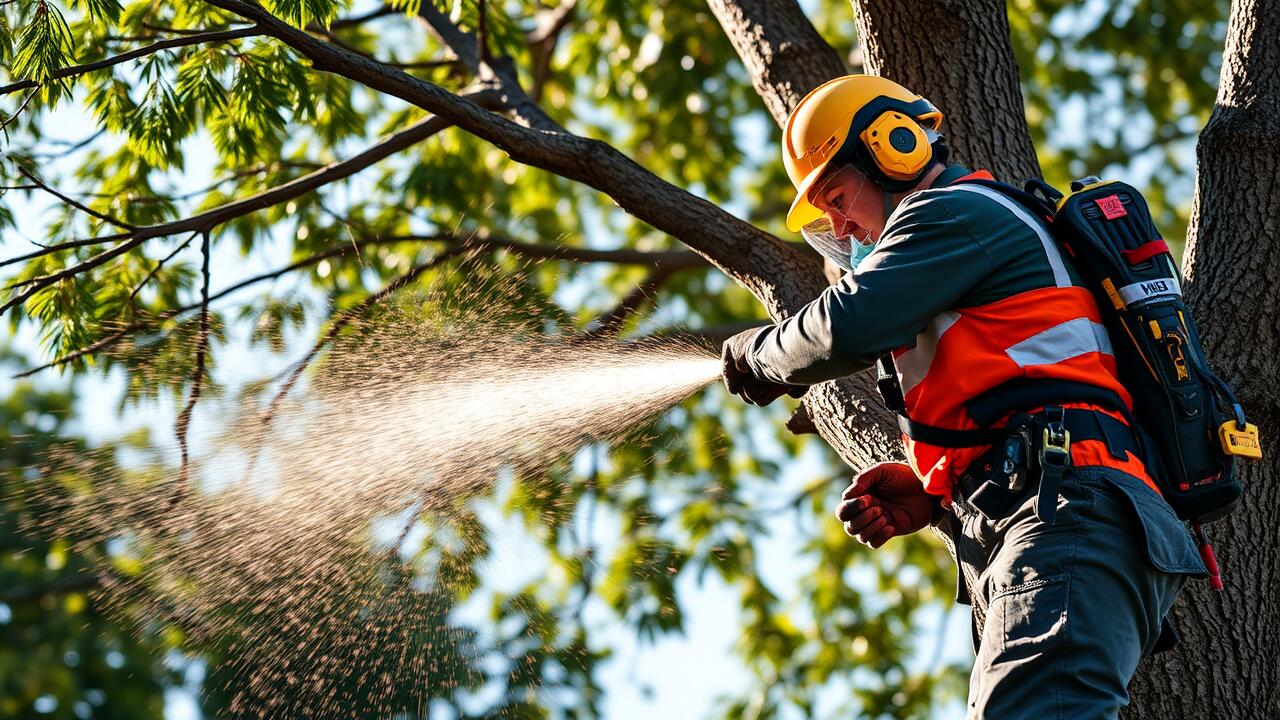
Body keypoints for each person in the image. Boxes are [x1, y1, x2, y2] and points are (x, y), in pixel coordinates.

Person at [720, 74, 1207, 719]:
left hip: (1070, 508)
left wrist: (758, 356)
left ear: (892, 148)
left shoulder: (952, 213)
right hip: (1066, 509)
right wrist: (941, 486)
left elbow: (849, 327)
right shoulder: (968, 236)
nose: (838, 223)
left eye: (838, 196)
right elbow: (1023, 382)